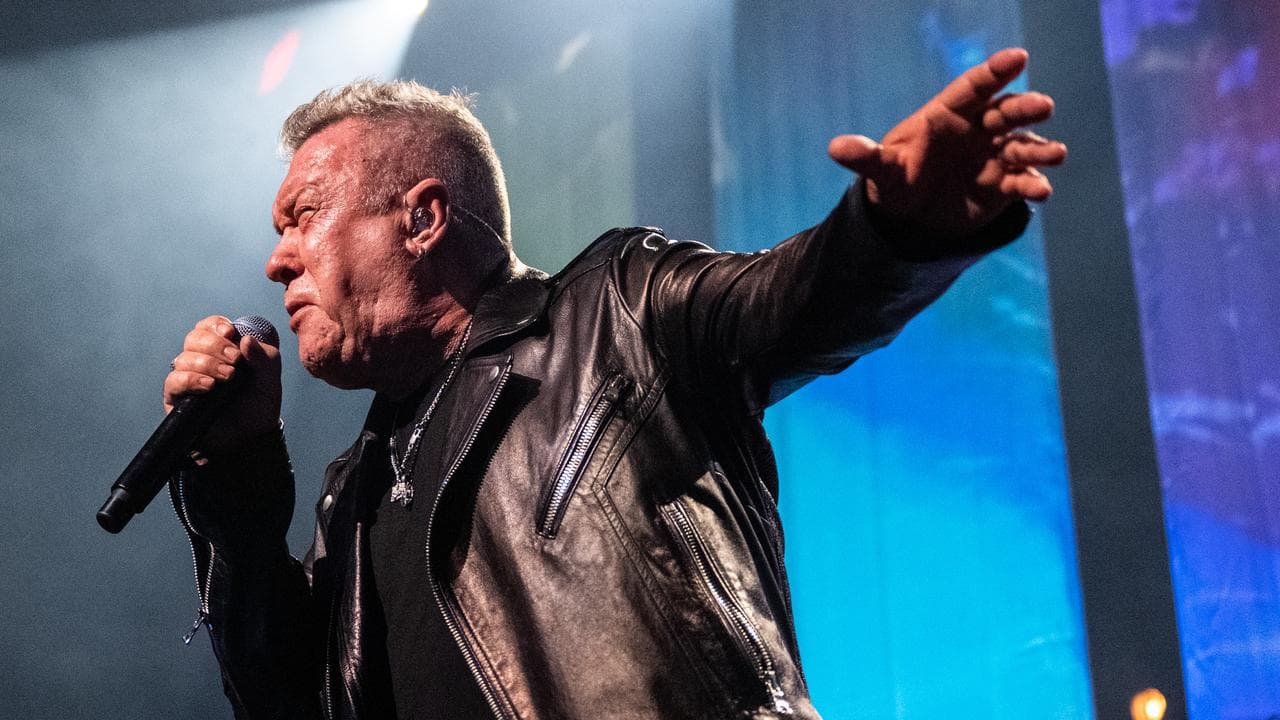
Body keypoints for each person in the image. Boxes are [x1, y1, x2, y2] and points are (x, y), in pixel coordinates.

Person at [163, 47, 1066, 719]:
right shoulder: (352, 494)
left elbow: (791, 300)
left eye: (304, 216)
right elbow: (281, 700)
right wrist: (237, 483)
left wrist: (892, 230)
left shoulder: (617, 312)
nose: (279, 260)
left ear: (423, 218)